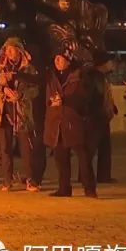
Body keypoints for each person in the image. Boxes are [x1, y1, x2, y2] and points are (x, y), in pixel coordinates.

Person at [0, 37, 40, 192]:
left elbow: (36, 89)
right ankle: (7, 180)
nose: (8, 52)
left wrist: (21, 95)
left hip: (22, 113)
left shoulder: (28, 69)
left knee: (26, 148)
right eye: (6, 49)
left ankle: (30, 180)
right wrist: (3, 90)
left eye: (11, 49)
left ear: (19, 50)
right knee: (5, 148)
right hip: (3, 113)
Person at [44, 51, 97, 197]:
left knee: (83, 158)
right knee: (61, 158)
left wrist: (65, 100)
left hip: (74, 121)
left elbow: (84, 98)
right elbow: (48, 98)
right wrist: (52, 102)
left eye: (61, 58)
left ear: (68, 61)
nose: (57, 60)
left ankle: (89, 188)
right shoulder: (51, 77)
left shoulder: (78, 77)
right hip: (57, 123)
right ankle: (64, 188)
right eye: (56, 58)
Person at [87, 51, 117, 183]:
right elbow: (97, 97)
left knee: (104, 147)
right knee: (92, 148)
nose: (112, 64)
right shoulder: (96, 77)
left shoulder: (101, 76)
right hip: (97, 116)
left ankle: (103, 176)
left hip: (102, 115)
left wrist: (112, 106)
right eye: (110, 61)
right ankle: (86, 175)